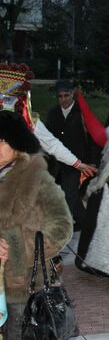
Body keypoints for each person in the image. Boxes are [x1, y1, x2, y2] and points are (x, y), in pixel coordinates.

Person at [0, 111, 74, 340]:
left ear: (16, 142)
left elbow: (62, 226)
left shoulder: (37, 178)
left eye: (1, 140)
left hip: (22, 285)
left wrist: (15, 247)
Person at [45, 80, 99, 231]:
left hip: (77, 160)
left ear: (72, 94)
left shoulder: (82, 112)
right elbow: (47, 137)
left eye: (66, 95)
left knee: (70, 193)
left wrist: (93, 161)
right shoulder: (52, 113)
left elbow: (93, 139)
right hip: (56, 162)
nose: (63, 99)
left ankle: (73, 223)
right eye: (60, 96)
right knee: (58, 193)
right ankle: (81, 220)